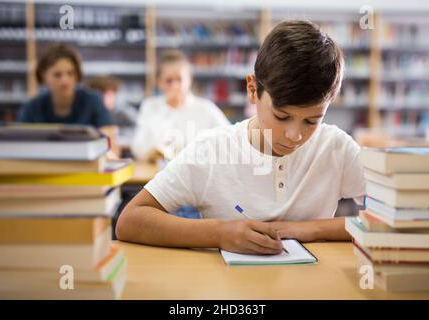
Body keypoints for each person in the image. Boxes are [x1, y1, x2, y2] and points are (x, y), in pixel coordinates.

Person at [116, 21, 366, 255]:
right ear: (252, 90)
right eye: (281, 116)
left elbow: (398, 221)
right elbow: (130, 221)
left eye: (312, 120)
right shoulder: (212, 148)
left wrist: (311, 229)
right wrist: (219, 233)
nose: (295, 135)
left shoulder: (336, 148)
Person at [131, 49, 230, 162]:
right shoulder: (150, 106)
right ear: (159, 82)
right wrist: (164, 111)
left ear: (189, 80)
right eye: (169, 81)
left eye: (179, 79)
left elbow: (230, 140)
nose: (175, 86)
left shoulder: (205, 108)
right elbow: (138, 149)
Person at [19, 44, 112, 128]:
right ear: (43, 76)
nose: (64, 81)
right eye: (57, 75)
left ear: (77, 75)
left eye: (70, 73)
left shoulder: (93, 102)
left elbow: (109, 136)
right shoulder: (32, 108)